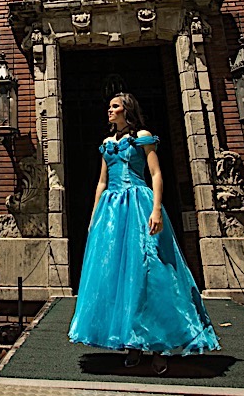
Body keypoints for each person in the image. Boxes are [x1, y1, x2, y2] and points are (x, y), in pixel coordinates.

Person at [68, 92, 219, 373]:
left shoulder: (142, 136)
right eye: (109, 107)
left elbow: (156, 174)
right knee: (119, 276)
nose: (109, 110)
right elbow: (101, 181)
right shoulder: (106, 144)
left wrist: (157, 209)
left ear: (127, 110)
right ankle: (133, 342)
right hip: (111, 211)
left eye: (115, 106)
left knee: (151, 272)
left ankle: (159, 345)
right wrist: (94, 215)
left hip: (138, 204)